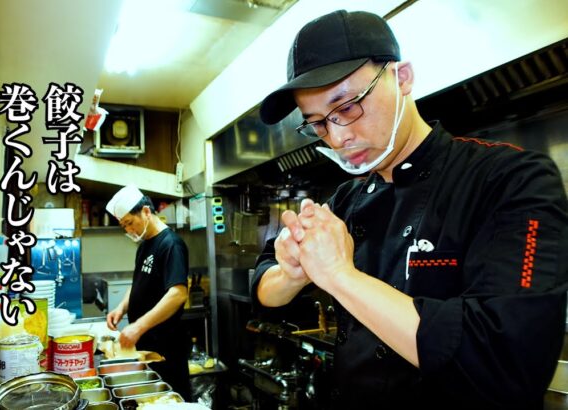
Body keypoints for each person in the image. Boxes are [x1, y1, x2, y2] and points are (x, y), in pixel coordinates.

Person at [252, 9, 568, 409]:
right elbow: (264, 289)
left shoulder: (510, 179)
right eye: (318, 123)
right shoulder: (346, 201)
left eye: (347, 106)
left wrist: (338, 276)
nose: (337, 136)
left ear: (402, 78)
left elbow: (505, 364)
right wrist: (292, 273)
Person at [105, 185, 191, 400]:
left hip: (166, 349)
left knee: (171, 401)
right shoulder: (145, 246)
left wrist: (138, 326)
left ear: (145, 211)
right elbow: (138, 283)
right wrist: (121, 308)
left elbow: (178, 293)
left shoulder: (171, 244)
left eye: (129, 223)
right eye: (123, 226)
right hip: (146, 345)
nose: (128, 230)